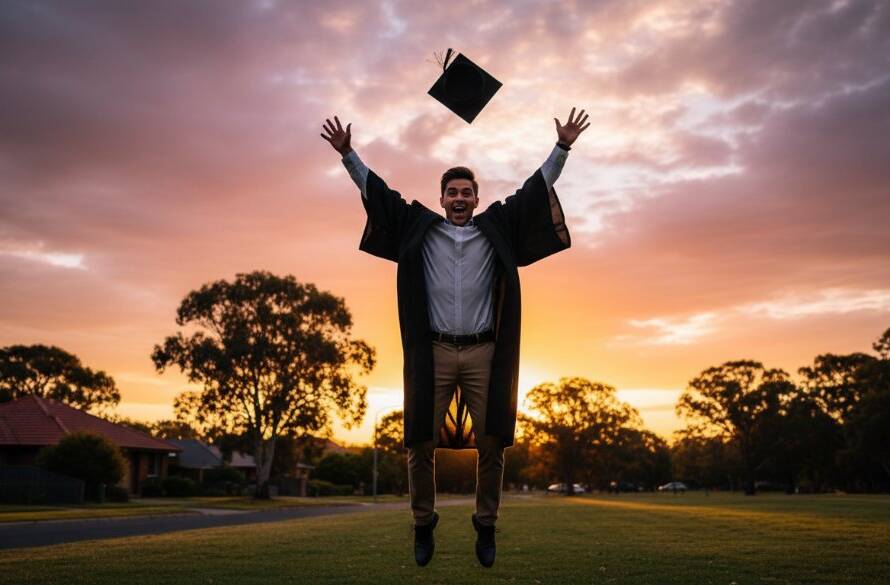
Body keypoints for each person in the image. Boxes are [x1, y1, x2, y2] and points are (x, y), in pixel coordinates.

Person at [321, 108, 588, 568]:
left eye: (467, 192)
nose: (459, 198)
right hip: (435, 352)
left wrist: (562, 147)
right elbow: (378, 194)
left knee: (494, 440)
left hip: (484, 351)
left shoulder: (494, 229)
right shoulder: (420, 230)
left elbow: (534, 190)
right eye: (452, 192)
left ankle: (486, 524)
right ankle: (423, 523)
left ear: (477, 199)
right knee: (418, 442)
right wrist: (348, 154)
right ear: (441, 199)